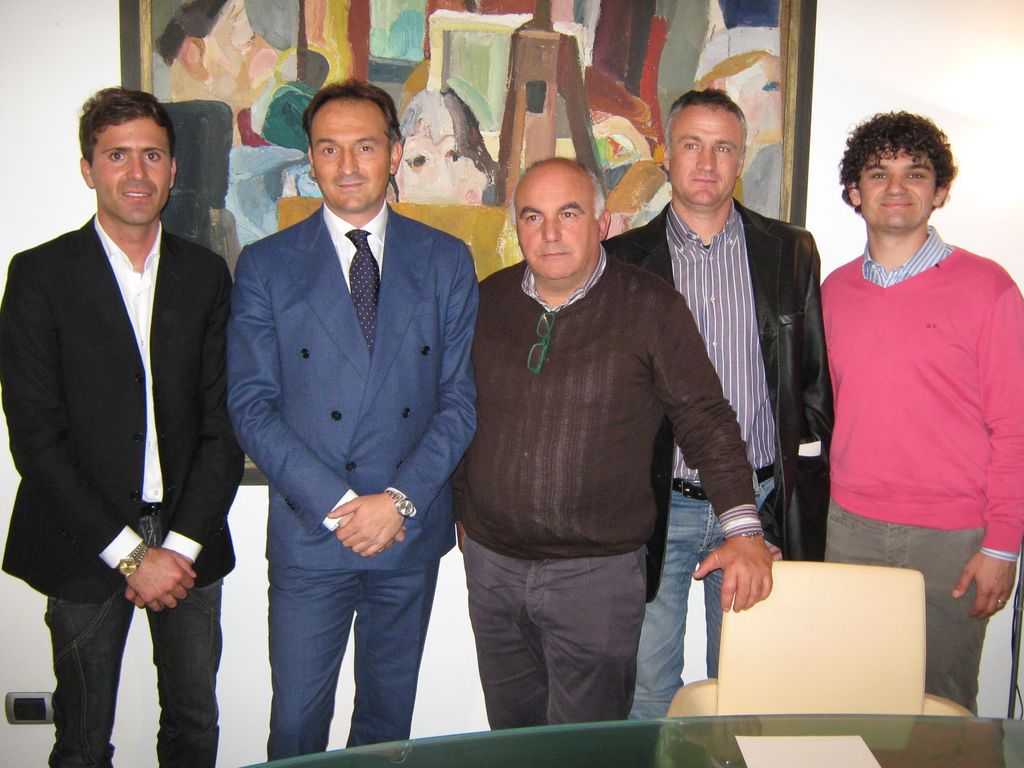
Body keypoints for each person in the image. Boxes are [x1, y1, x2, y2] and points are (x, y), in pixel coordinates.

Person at [456, 157, 769, 728]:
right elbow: (457, 411)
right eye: (533, 216)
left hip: (595, 579)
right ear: (517, 226)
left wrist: (744, 530)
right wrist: (463, 512)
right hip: (493, 570)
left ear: (601, 224)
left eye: (568, 213)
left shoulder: (650, 305)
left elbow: (704, 419)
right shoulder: (488, 302)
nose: (550, 233)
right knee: (510, 741)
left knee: (585, 748)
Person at [227, 80, 478, 758]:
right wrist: (339, 506)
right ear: (310, 158)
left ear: (394, 154)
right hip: (313, 532)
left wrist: (397, 501)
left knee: (386, 727)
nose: (346, 166)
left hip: (406, 529)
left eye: (364, 147)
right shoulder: (267, 265)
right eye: (328, 148)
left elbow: (458, 402)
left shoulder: (445, 260)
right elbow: (251, 404)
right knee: (296, 725)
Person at [0, 87, 243, 767]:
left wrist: (178, 549)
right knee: (80, 742)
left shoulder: (207, 275)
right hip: (81, 538)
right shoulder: (38, 276)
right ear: (88, 169)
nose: (137, 172)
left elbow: (224, 423)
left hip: (190, 535)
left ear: (173, 169)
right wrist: (134, 557)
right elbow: (36, 439)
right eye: (117, 156)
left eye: (152, 155)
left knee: (194, 729)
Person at [604, 88, 832, 719]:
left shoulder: (790, 252)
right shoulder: (623, 261)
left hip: (757, 504)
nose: (707, 162)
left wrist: (796, 491)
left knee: (744, 691)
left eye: (723, 148)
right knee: (648, 693)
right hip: (658, 508)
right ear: (665, 155)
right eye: (692, 144)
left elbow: (812, 382)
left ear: (741, 160)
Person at [822, 111, 1024, 713]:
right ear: (854, 192)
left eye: (915, 173)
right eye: (878, 173)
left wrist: (1003, 545)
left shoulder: (989, 288)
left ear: (939, 192)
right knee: (851, 700)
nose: (896, 187)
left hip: (954, 539)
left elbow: (1015, 426)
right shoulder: (830, 293)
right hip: (850, 528)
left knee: (942, 712)